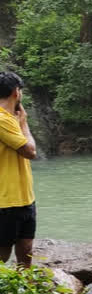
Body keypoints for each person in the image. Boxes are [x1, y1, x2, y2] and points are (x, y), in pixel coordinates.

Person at [0, 71, 37, 268]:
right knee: (3, 253)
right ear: (16, 92)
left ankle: (23, 293)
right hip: (6, 200)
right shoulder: (3, 120)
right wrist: (24, 124)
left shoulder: (9, 119)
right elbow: (30, 151)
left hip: (24, 197)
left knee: (26, 248)